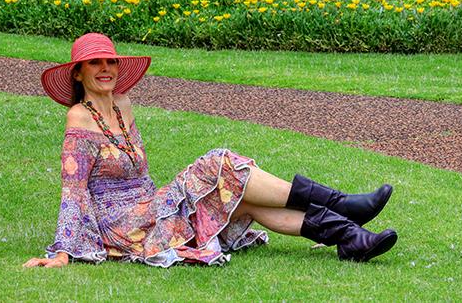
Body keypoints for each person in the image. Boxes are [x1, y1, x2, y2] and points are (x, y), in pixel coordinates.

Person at [22, 33, 398, 268]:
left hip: (149, 205)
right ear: (77, 73)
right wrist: (62, 253)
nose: (105, 68)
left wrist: (166, 202)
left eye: (110, 61)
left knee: (237, 199)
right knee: (219, 162)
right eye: (94, 63)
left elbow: (139, 173)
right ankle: (343, 204)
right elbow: (73, 190)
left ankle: (349, 238)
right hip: (123, 222)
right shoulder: (78, 118)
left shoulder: (123, 104)